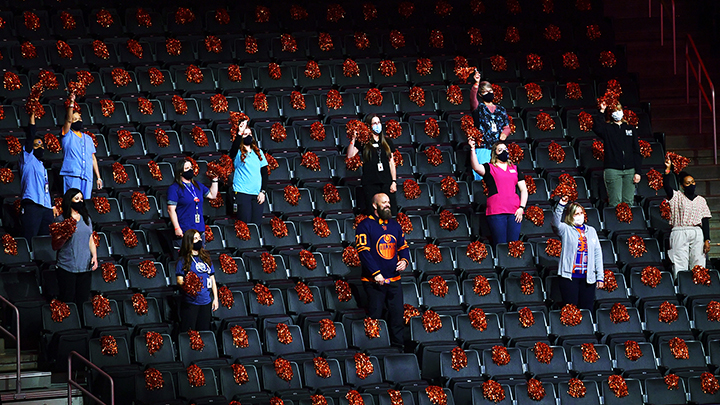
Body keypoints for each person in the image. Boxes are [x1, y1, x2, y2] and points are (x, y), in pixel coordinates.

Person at [356, 193, 410, 346]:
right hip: (374, 282)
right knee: (375, 316)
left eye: (388, 202)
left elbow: (403, 246)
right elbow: (364, 252)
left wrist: (405, 261)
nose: (388, 205)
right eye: (384, 202)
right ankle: (375, 349)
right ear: (375, 205)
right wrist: (376, 274)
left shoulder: (394, 225)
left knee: (397, 316)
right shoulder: (365, 225)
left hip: (394, 280)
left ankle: (398, 348)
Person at [468, 140, 528, 246]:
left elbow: (523, 189)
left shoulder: (515, 168)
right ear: (495, 153)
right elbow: (476, 167)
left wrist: (521, 207)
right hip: (496, 211)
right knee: (500, 244)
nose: (504, 152)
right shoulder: (490, 167)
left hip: (514, 212)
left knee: (514, 245)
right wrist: (472, 149)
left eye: (505, 149)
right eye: (500, 150)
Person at [552, 196, 604, 310]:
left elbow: (597, 254)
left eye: (581, 213)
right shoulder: (565, 229)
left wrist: (600, 277)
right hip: (569, 278)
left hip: (588, 278)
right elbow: (555, 223)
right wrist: (561, 205)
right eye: (576, 214)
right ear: (570, 216)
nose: (580, 216)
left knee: (587, 310)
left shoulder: (591, 231)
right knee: (571, 310)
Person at [663, 158, 712, 275]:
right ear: (682, 186)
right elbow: (666, 187)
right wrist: (667, 171)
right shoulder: (677, 196)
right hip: (680, 231)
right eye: (688, 183)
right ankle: (681, 287)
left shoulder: (701, 200)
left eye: (693, 182)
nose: (691, 184)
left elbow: (705, 220)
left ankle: (698, 286)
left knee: (699, 262)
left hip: (696, 231)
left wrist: (707, 239)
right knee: (680, 262)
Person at [52, 188, 98, 310]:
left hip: (85, 266)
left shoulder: (86, 218)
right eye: (76, 199)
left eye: (81, 199)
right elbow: (55, 246)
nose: (80, 201)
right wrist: (65, 235)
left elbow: (90, 239)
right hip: (67, 267)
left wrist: (94, 256)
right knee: (68, 301)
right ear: (69, 201)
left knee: (83, 301)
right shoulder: (61, 220)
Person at [346, 114, 398, 215]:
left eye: (379, 123)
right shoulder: (364, 141)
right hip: (370, 182)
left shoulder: (387, 141)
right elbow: (350, 155)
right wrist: (353, 139)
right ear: (369, 126)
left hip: (386, 181)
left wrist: (394, 181)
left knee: (388, 211)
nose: (377, 125)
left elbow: (391, 162)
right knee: (373, 212)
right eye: (374, 123)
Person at [592, 101, 642, 207]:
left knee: (628, 202)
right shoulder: (607, 128)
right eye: (614, 111)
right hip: (613, 170)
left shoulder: (630, 129)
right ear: (610, 114)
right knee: (615, 203)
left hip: (630, 170)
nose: (617, 113)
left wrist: (638, 171)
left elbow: (636, 151)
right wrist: (601, 111)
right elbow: (597, 127)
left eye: (619, 110)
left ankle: (628, 223)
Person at [19, 112, 56, 241]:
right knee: (31, 238)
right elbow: (30, 137)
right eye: (36, 145)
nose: (39, 147)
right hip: (32, 205)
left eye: (41, 145)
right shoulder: (27, 159)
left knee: (46, 239)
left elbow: (46, 188)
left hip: (45, 206)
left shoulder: (42, 166)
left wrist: (52, 205)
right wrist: (32, 118)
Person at [469, 72, 511, 180]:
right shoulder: (479, 108)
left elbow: (507, 126)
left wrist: (505, 133)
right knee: (484, 177)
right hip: (483, 147)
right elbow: (472, 99)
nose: (489, 93)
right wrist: (476, 84)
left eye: (491, 91)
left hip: (497, 149)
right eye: (486, 92)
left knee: (499, 178)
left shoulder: (501, 109)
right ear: (480, 94)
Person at [167, 158, 219, 247]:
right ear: (180, 172)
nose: (190, 170)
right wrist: (177, 228)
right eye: (187, 168)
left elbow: (212, 195)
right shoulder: (174, 188)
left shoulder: (197, 185)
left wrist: (215, 180)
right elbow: (171, 209)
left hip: (199, 229)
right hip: (185, 229)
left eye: (191, 167)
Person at [59, 93, 102, 199]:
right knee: (72, 201)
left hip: (87, 176)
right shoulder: (67, 134)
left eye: (79, 118)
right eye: (75, 119)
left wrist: (98, 177)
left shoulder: (88, 138)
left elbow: (93, 158)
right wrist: (72, 103)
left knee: (84, 202)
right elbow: (68, 120)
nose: (78, 121)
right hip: (73, 175)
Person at [175, 229, 218, 332]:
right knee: (189, 332)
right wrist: (189, 285)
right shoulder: (183, 260)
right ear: (189, 241)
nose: (199, 240)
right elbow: (179, 280)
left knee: (204, 331)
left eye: (199, 238)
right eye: (195, 239)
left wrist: (215, 298)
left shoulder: (206, 258)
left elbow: (212, 278)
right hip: (191, 303)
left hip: (206, 301)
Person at [229, 116, 268, 225]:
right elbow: (232, 151)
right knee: (244, 225)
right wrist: (240, 132)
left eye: (250, 134)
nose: (248, 136)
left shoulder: (258, 152)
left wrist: (263, 191)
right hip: (242, 193)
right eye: (246, 134)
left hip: (257, 195)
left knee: (256, 225)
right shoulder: (238, 152)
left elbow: (264, 173)